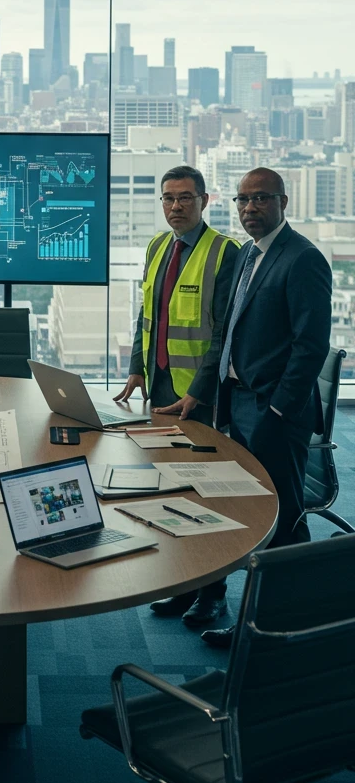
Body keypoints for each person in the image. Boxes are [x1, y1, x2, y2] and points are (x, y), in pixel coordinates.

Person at [202, 167, 332, 650]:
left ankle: (286, 628)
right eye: (243, 200)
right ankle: (272, 621)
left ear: (282, 203)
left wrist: (278, 410)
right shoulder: (248, 255)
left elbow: (310, 345)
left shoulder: (303, 259)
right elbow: (231, 328)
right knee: (254, 513)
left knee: (281, 519)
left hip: (273, 410)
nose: (250, 208)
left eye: (261, 199)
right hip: (236, 401)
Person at [113, 164, 241, 630]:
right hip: (161, 388)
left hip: (201, 398)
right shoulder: (156, 247)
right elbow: (147, 311)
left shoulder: (225, 252)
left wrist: (200, 391)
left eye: (185, 197)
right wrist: (134, 369)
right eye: (168, 198)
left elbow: (224, 332)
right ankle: (183, 583)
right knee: (167, 489)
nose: (175, 206)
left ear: (205, 201)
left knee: (205, 497)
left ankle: (213, 595)